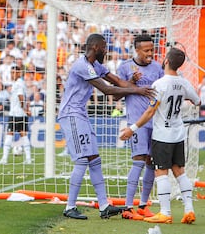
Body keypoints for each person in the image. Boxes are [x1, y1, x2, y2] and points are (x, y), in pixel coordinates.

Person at [58, 33, 155, 220]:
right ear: (95, 47)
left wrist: (134, 84)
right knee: (82, 160)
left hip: (81, 114)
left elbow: (118, 82)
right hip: (70, 114)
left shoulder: (96, 65)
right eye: (104, 47)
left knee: (94, 159)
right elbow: (108, 90)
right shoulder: (82, 66)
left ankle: (104, 206)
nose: (106, 50)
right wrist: (136, 90)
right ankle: (70, 206)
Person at [120, 47, 200, 224]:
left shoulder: (160, 84)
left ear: (166, 61)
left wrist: (131, 129)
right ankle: (189, 209)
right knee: (180, 171)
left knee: (161, 172)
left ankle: (165, 213)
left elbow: (150, 112)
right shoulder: (184, 83)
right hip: (178, 134)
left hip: (162, 135)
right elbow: (197, 101)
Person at [116, 34, 164, 220]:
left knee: (151, 162)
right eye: (146, 50)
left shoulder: (158, 68)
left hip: (156, 121)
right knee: (138, 160)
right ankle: (128, 206)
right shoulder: (125, 68)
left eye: (152, 50)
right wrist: (133, 83)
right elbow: (116, 95)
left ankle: (143, 205)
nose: (150, 53)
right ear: (137, 50)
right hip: (137, 123)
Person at [0, 66, 32, 165]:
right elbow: (26, 98)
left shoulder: (18, 84)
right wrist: (27, 110)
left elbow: (21, 97)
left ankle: (4, 159)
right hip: (22, 114)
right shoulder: (21, 83)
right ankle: (28, 159)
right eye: (11, 72)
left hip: (15, 114)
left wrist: (25, 108)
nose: (12, 74)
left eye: (14, 72)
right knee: (24, 135)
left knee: (9, 135)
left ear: (19, 73)